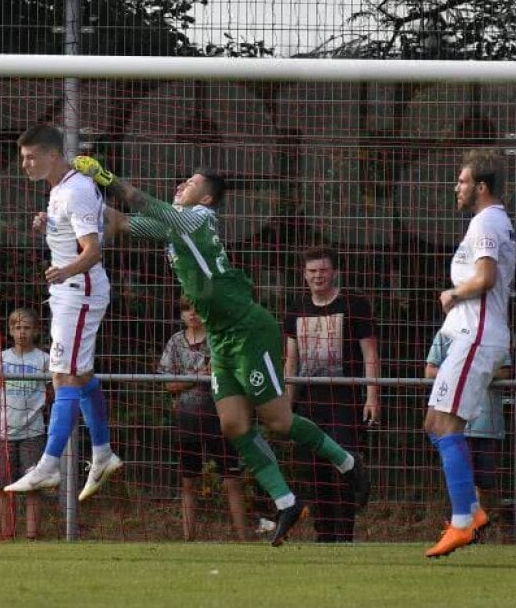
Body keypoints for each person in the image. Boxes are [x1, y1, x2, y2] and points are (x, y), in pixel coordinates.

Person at [72, 157, 369, 547]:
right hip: (222, 337)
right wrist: (70, 195)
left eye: (190, 181)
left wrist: (106, 178)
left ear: (206, 197)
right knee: (233, 426)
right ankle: (286, 501)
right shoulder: (174, 228)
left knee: (277, 420)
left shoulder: (198, 219)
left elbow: (144, 205)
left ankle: (349, 464)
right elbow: (120, 221)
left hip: (249, 329)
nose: (181, 184)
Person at [3, 125, 121, 501]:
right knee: (80, 374)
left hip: (79, 292)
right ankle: (102, 453)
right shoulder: (60, 190)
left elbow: (92, 250)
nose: (25, 165)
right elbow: (71, 237)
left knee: (62, 376)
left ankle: (49, 465)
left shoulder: (77, 190)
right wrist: (47, 228)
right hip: (69, 291)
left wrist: (65, 270)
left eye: (30, 157)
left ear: (53, 155)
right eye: (23, 158)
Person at [422, 148, 516, 557]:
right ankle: (472, 511)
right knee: (434, 421)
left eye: (461, 181)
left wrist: (452, 294)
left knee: (446, 424)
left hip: (477, 337)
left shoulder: (486, 222)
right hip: (468, 335)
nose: (455, 187)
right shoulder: (488, 221)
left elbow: (485, 277)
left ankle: (463, 520)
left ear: (481, 186)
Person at [284, 245, 380, 543]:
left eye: (323, 270)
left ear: (334, 272)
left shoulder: (354, 305)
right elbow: (291, 361)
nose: (318, 276)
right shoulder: (295, 310)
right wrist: (286, 405)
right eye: (312, 271)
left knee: (343, 467)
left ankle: (344, 535)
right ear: (304, 275)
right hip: (309, 404)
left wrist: (372, 396)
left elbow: (370, 354)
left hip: (346, 400)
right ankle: (323, 536)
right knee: (313, 471)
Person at [159, 296, 249, 542]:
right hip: (186, 421)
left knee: (231, 479)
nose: (192, 314)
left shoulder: (217, 339)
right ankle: (189, 539)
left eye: (197, 309)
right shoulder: (175, 343)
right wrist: (198, 377)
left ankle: (243, 539)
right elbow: (168, 383)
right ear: (180, 314)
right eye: (186, 309)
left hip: (220, 419)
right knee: (188, 482)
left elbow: (226, 374)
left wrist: (189, 380)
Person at [425, 331, 511, 540]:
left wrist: (475, 372)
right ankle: (459, 526)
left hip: (486, 424)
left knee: (486, 482)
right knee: (460, 477)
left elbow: (506, 372)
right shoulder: (446, 333)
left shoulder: (493, 332)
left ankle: (478, 530)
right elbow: (430, 370)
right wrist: (456, 372)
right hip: (453, 423)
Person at [0, 307, 51, 539]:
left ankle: (31, 536)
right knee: (3, 486)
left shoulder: (44, 359)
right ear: (10, 331)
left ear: (36, 331)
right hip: (4, 431)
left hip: (33, 432)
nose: (21, 332)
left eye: (26, 328)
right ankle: (7, 535)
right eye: (17, 328)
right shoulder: (1, 358)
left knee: (33, 486)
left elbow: (50, 391)